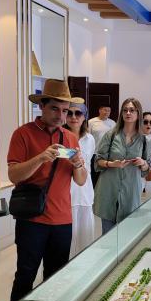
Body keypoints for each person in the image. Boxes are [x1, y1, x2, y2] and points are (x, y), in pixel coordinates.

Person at [7, 79, 87, 301]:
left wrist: (78, 164)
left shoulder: (70, 138)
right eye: (54, 108)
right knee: (25, 274)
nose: (61, 115)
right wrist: (41, 157)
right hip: (32, 218)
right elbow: (14, 175)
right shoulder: (23, 134)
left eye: (65, 110)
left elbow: (81, 181)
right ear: (41, 106)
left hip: (62, 219)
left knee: (56, 277)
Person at [93, 98, 151, 234]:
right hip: (109, 190)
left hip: (130, 193)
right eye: (125, 110)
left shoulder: (144, 140)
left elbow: (147, 169)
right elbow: (98, 160)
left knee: (127, 235)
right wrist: (112, 164)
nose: (128, 113)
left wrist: (143, 163)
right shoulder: (111, 135)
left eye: (132, 110)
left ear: (138, 113)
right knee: (108, 235)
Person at [63, 101, 96, 257]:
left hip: (85, 192)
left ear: (85, 117)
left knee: (85, 238)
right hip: (65, 193)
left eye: (78, 113)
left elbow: (88, 165)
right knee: (66, 240)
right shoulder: (60, 137)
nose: (73, 117)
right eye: (69, 113)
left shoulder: (90, 139)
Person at [88, 105, 116, 187]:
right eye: (105, 110)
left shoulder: (113, 123)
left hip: (107, 154)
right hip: (94, 153)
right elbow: (88, 137)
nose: (107, 112)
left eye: (109, 111)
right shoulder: (91, 122)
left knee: (105, 177)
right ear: (100, 110)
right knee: (94, 177)